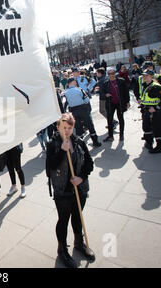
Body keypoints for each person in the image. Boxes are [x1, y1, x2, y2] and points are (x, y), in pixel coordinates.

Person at [46, 113, 95, 268]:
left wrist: (81, 177)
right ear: (58, 127)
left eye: (70, 127)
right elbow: (50, 168)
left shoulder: (79, 142)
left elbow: (89, 163)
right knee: (63, 220)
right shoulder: (52, 144)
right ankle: (62, 250)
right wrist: (61, 151)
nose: (67, 131)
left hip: (79, 188)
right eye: (64, 127)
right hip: (63, 192)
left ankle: (79, 242)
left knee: (78, 216)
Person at [135, 70, 161, 154]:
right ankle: (149, 143)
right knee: (146, 128)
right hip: (146, 111)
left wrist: (156, 108)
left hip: (156, 112)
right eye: (143, 76)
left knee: (158, 129)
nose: (144, 77)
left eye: (147, 75)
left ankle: (160, 147)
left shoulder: (156, 86)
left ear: (151, 76)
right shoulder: (145, 85)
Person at [63, 78, 102, 147]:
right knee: (90, 126)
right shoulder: (79, 89)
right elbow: (86, 100)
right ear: (73, 82)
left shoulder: (65, 92)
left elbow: (66, 104)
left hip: (74, 111)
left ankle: (81, 146)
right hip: (83, 110)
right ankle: (95, 142)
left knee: (78, 128)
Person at [102, 69, 130, 142]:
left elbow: (126, 92)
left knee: (121, 118)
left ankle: (121, 135)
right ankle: (110, 136)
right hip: (110, 103)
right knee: (109, 119)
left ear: (115, 74)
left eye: (113, 73)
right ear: (108, 75)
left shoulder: (121, 81)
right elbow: (102, 92)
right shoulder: (106, 83)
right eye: (110, 74)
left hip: (120, 103)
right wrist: (106, 94)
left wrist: (127, 102)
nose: (111, 75)